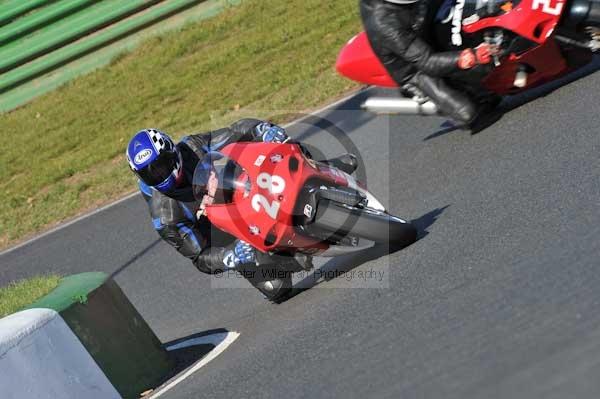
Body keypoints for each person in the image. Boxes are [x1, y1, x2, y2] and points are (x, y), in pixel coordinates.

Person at [125, 119, 357, 302]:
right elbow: (199, 256)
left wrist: (263, 129)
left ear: (172, 151)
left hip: (244, 186)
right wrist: (229, 257)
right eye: (150, 173)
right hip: (227, 230)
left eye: (161, 165)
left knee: (283, 146)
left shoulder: (192, 147)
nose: (160, 174)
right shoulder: (165, 217)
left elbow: (236, 131)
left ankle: (324, 168)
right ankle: (290, 253)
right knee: (276, 289)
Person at [359, 0, 501, 127]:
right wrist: (467, 57)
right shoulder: (385, 24)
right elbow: (427, 61)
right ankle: (435, 100)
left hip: (422, 30)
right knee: (469, 113)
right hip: (417, 70)